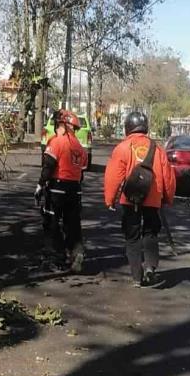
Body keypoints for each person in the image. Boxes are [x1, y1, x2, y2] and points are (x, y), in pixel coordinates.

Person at [103, 111, 176, 287]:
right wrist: (167, 198)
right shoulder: (157, 149)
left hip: (131, 200)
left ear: (128, 127)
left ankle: (137, 276)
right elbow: (168, 177)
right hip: (153, 199)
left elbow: (113, 176)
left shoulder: (123, 148)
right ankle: (150, 266)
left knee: (132, 236)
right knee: (150, 233)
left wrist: (110, 199)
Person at [34, 109, 88, 273]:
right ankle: (76, 252)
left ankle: (54, 257)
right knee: (72, 224)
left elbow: (48, 166)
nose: (56, 128)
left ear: (64, 125)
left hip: (57, 187)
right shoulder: (80, 148)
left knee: (51, 222)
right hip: (75, 189)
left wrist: (40, 185)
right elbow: (82, 172)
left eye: (58, 125)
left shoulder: (57, 142)